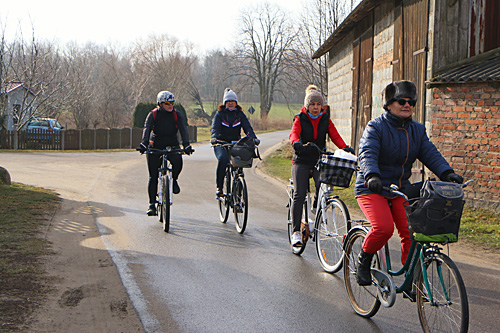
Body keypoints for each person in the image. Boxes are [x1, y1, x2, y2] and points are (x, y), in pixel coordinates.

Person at [354, 80, 463, 287]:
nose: (407, 105)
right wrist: (371, 176)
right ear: (388, 104)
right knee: (383, 229)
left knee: (413, 233)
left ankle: (411, 278)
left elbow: (430, 153)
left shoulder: (417, 130)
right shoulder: (375, 127)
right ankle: (364, 260)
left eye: (411, 102)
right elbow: (367, 153)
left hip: (399, 190)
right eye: (402, 101)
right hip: (372, 187)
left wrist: (447, 173)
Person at [289, 84, 354, 247]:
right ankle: (296, 232)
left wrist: (344, 147)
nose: (316, 107)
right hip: (301, 159)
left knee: (323, 186)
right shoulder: (300, 118)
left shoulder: (325, 119)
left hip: (319, 159)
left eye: (318, 104)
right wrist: (296, 143)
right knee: (299, 193)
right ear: (307, 106)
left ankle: (316, 209)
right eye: (313, 105)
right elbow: (294, 133)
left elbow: (335, 135)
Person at [139, 91, 194, 216]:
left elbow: (183, 129)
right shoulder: (153, 114)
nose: (170, 105)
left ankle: (174, 180)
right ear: (160, 104)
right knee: (153, 176)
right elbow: (147, 129)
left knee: (178, 162)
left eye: (172, 103)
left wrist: (186, 145)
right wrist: (144, 144)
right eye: (167, 103)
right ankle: (152, 204)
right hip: (155, 145)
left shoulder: (176, 114)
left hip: (172, 144)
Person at [210, 88, 259, 196]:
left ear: (236, 103)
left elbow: (248, 128)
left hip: (236, 144)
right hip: (221, 143)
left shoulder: (240, 115)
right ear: (225, 103)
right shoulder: (220, 115)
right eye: (228, 101)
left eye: (233, 101)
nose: (231, 103)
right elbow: (215, 128)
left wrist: (253, 138)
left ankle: (238, 196)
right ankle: (219, 188)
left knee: (239, 164)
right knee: (223, 160)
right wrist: (214, 138)